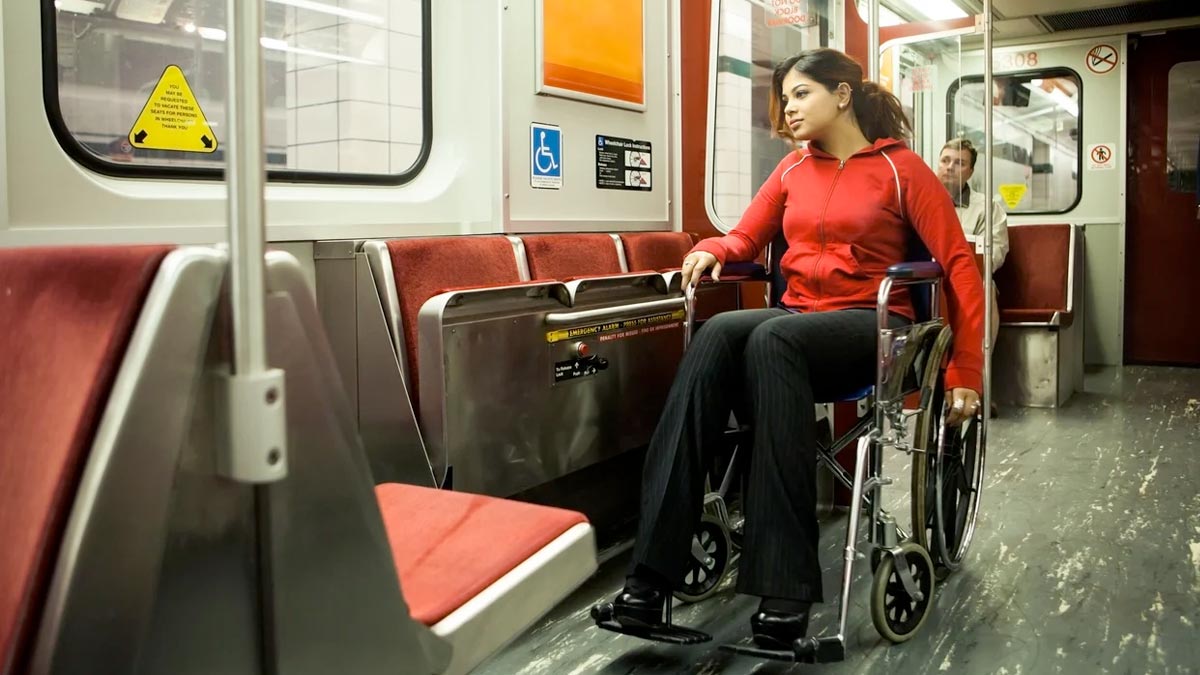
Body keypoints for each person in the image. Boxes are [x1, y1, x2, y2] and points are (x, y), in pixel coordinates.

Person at [603, 48, 984, 649]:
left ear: (842, 95)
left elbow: (958, 265)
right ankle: (648, 584)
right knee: (719, 333)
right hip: (798, 328)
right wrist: (716, 251)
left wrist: (967, 369)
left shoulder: (901, 169)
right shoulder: (791, 171)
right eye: (784, 99)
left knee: (772, 335)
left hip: (874, 330)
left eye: (800, 94)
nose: (788, 108)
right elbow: (748, 232)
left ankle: (786, 596)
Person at [937, 137, 1009, 348]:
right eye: (945, 160)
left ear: (970, 172)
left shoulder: (986, 208)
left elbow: (994, 252)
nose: (950, 167)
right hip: (926, 276)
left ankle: (977, 366)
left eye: (959, 163)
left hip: (966, 277)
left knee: (985, 284)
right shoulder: (919, 199)